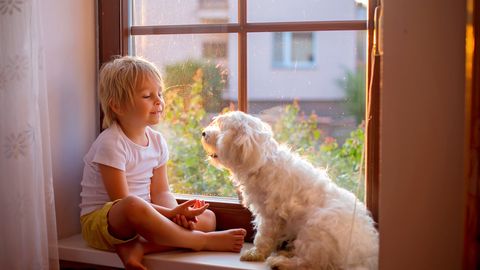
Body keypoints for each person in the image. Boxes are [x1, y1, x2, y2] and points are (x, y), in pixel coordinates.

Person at [79, 56, 246, 270]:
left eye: (159, 93)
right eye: (147, 96)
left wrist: (178, 215)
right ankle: (201, 242)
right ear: (117, 106)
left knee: (208, 219)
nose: (158, 101)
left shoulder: (157, 142)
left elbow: (161, 192)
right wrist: (171, 214)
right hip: (106, 223)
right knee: (133, 204)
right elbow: (120, 201)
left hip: (146, 217)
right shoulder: (111, 143)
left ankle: (140, 248)